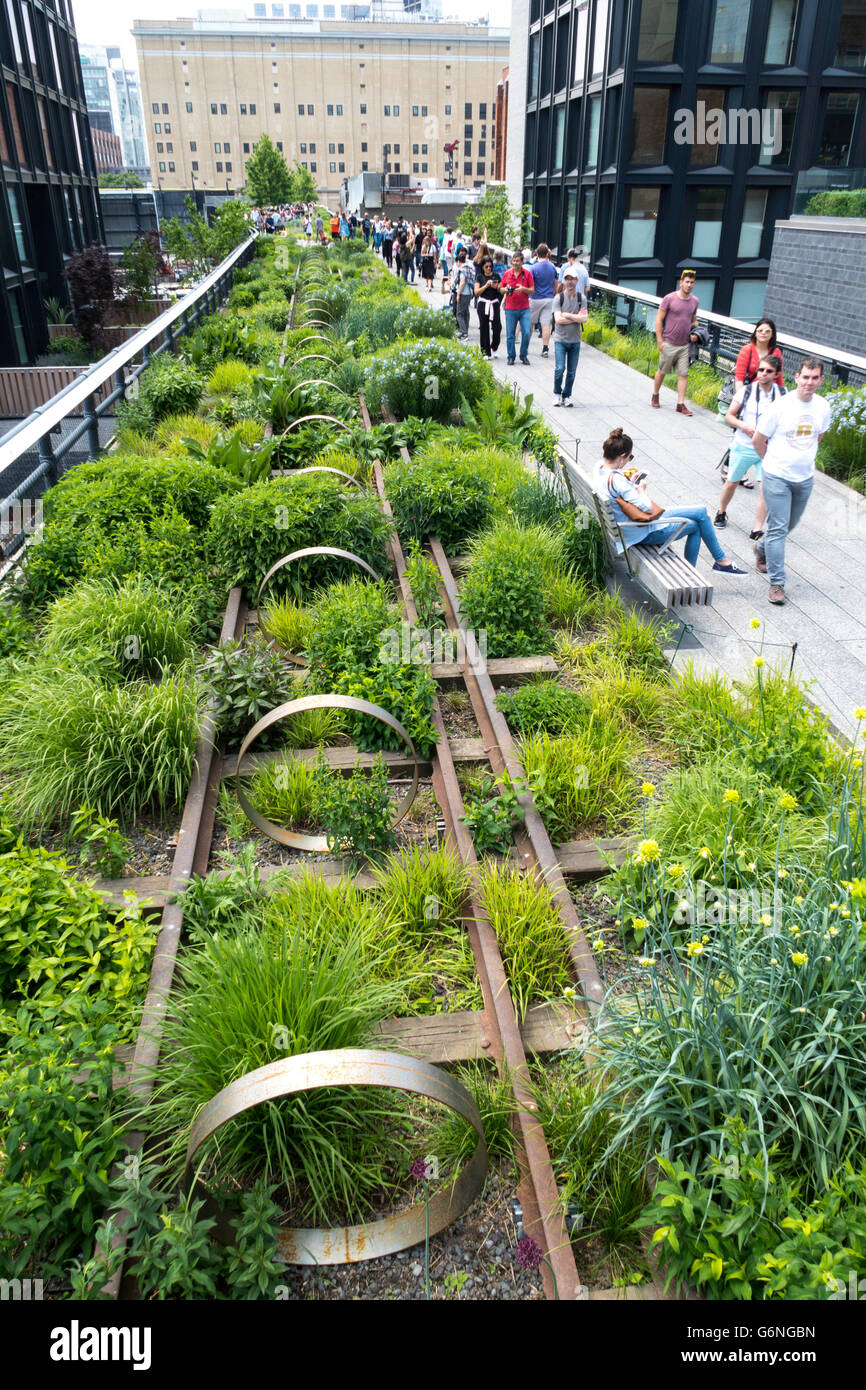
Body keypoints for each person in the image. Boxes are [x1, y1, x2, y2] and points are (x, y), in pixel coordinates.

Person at [599, 428, 746, 573]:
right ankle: (699, 571)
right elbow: (647, 507)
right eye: (630, 458)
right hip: (641, 530)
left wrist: (629, 484)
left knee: (701, 511)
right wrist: (641, 489)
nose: (628, 462)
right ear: (622, 456)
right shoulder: (618, 481)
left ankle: (721, 561)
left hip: (629, 525)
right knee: (695, 526)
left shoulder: (599, 470)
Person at [751, 358, 830, 606]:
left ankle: (761, 547)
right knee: (778, 528)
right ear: (797, 377)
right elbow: (758, 439)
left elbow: (819, 436)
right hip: (776, 476)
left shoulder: (823, 407)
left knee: (786, 526)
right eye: (805, 377)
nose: (809, 382)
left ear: (821, 380)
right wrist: (769, 463)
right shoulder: (780, 407)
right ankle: (777, 583)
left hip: (804, 478)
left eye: (814, 377)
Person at [714, 353, 785, 536]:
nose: (763, 374)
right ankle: (721, 511)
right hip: (744, 445)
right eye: (761, 370)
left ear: (776, 374)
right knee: (731, 482)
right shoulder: (746, 391)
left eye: (769, 371)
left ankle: (757, 528)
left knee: (765, 488)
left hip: (769, 450)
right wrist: (743, 425)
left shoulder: (782, 395)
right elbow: (729, 416)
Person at [652, 269, 699, 414]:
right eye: (687, 282)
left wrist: (695, 333)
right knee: (662, 371)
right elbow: (659, 319)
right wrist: (660, 340)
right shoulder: (669, 298)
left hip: (685, 345)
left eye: (692, 282)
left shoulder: (695, 301)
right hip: (669, 343)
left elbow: (694, 320)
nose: (689, 285)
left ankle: (680, 404)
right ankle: (655, 395)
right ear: (681, 283)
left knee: (683, 374)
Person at [551, 269, 586, 407]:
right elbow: (558, 319)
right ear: (564, 281)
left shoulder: (581, 298)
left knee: (572, 371)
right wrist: (576, 318)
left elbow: (584, 318)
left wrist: (568, 315)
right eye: (567, 278)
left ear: (577, 280)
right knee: (560, 368)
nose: (570, 281)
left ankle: (567, 395)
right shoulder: (558, 298)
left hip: (575, 340)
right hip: (560, 339)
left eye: (572, 278)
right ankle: (557, 393)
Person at [499, 251, 535, 365]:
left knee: (527, 332)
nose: (515, 263)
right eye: (513, 261)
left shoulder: (527, 274)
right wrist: (505, 290)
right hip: (510, 308)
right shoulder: (506, 273)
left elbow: (532, 290)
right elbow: (501, 289)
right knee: (510, 334)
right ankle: (511, 356)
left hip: (524, 308)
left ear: (522, 261)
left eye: (517, 261)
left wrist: (523, 289)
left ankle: (523, 355)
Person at [528, 244, 558, 357]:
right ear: (547, 254)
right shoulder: (552, 267)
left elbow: (530, 284)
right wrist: (554, 292)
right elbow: (556, 282)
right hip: (548, 298)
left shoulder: (533, 268)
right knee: (546, 324)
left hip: (535, 298)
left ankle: (526, 346)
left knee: (530, 323)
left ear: (537, 254)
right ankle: (545, 348)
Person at [736, 319, 784, 389]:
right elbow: (739, 378)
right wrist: (742, 397)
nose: (763, 333)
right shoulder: (746, 350)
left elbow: (779, 378)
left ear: (772, 334)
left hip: (768, 394)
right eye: (760, 330)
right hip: (748, 392)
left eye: (767, 331)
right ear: (755, 333)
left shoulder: (776, 352)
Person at [474, 255, 502, 358]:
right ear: (483, 267)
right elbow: (476, 292)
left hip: (494, 303)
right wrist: (486, 285)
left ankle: (494, 346)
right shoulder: (479, 277)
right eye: (486, 266)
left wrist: (497, 286)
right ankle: (485, 352)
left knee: (497, 327)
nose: (489, 268)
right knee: (484, 328)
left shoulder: (496, 276)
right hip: (483, 303)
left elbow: (501, 289)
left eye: (490, 266)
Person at [453, 247, 475, 340]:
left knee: (459, 314)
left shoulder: (462, 269)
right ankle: (465, 331)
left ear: (458, 261)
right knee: (465, 312)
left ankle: (463, 333)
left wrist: (458, 294)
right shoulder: (469, 267)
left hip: (463, 294)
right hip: (469, 293)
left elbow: (462, 282)